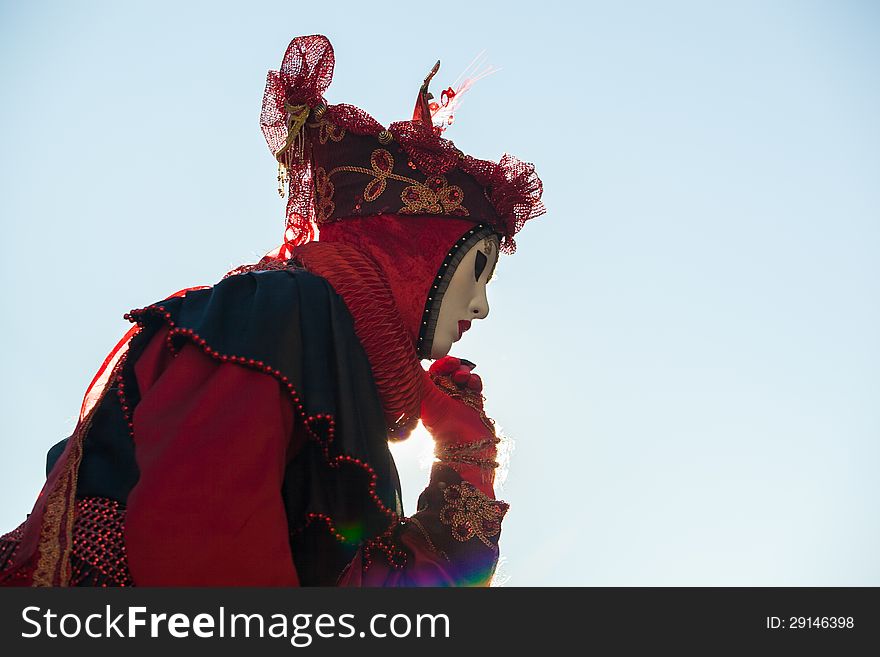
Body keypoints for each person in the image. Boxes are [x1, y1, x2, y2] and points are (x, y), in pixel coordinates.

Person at [0, 34, 544, 587]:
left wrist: (464, 448)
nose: (481, 306)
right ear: (414, 250)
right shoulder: (284, 310)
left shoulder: (351, 392)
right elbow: (197, 541)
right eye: (477, 270)